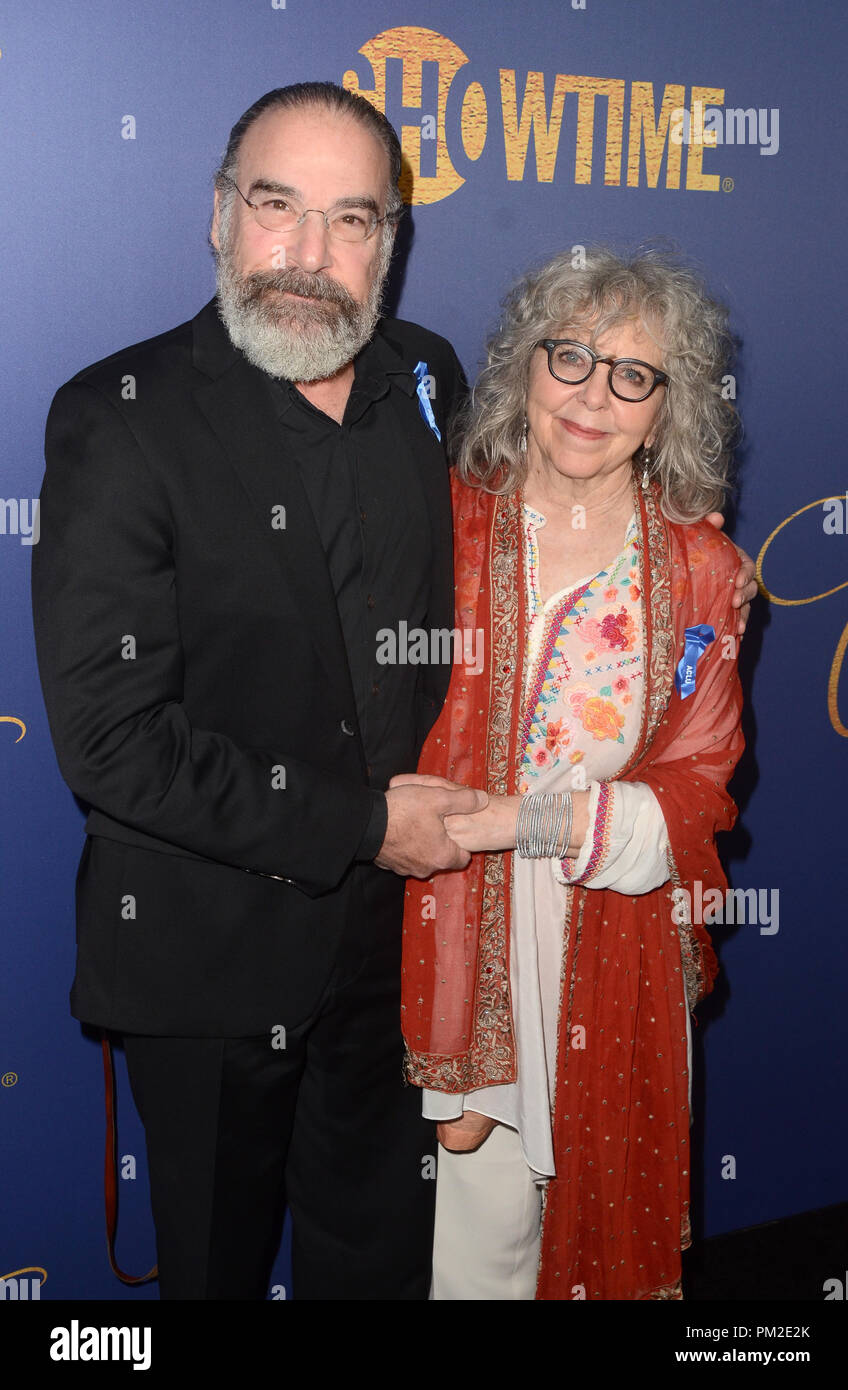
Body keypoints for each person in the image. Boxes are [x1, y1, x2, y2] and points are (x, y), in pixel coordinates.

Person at [31, 81, 485, 1301]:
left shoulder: (429, 380)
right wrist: (363, 825)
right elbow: (114, 744)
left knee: (381, 1261)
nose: (308, 256)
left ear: (390, 240)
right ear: (220, 217)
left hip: (401, 953)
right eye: (277, 206)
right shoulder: (119, 418)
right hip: (208, 956)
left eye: (352, 219)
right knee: (217, 1273)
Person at [399, 246, 748, 1300]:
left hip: (614, 925)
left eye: (631, 374)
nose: (593, 395)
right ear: (521, 366)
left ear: (665, 406)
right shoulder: (437, 523)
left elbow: (701, 784)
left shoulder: (702, 568)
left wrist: (514, 821)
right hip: (445, 915)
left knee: (600, 1227)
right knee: (470, 1228)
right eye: (569, 358)